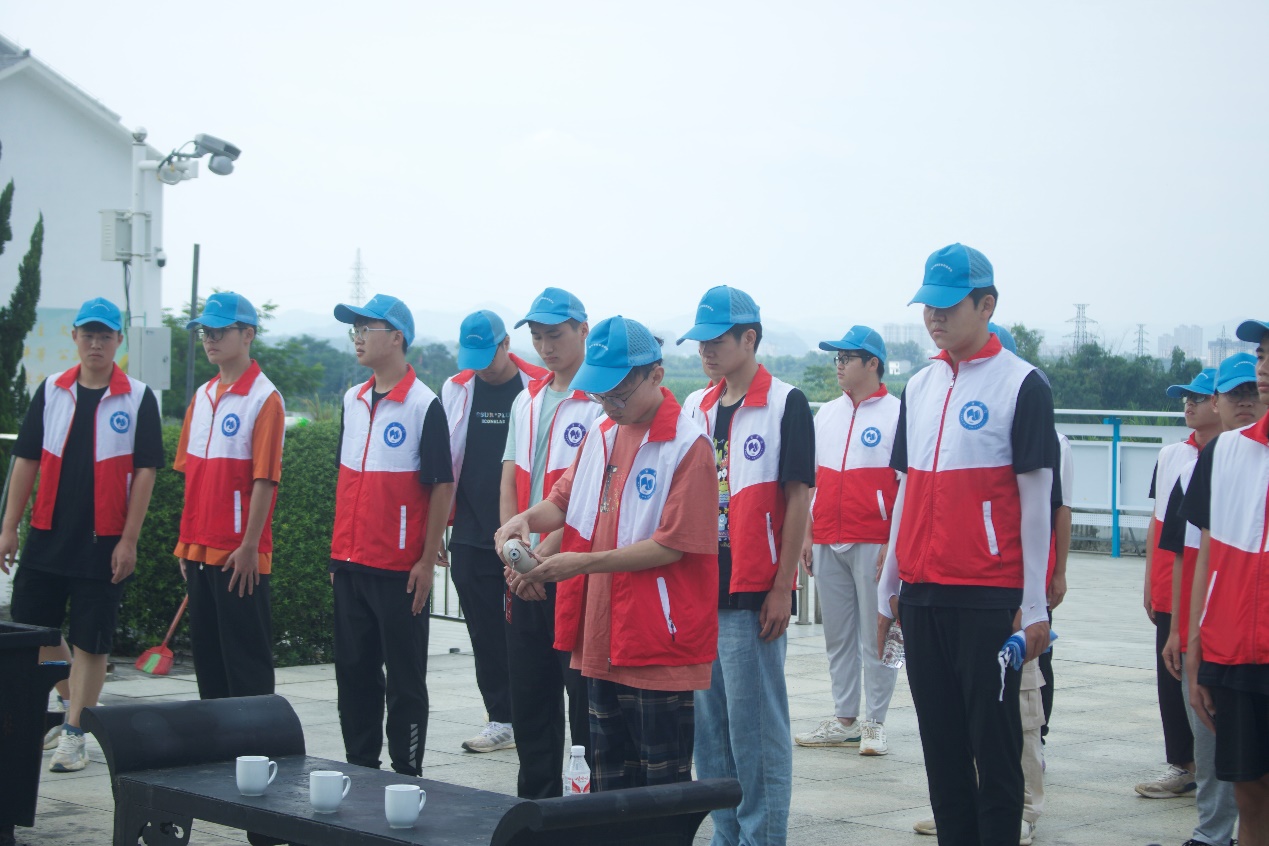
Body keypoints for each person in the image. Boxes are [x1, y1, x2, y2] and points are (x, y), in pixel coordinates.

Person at [878, 243, 1056, 846]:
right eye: (929, 305)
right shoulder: (920, 386)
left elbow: (1036, 501)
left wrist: (1034, 605)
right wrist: (889, 585)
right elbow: (906, 489)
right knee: (941, 747)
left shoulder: (1022, 384)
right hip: (922, 595)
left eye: (950, 305)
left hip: (987, 595)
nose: (936, 316)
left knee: (995, 747)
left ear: (987, 305)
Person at [494, 316, 718, 791]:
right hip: (601, 634)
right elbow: (562, 500)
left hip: (656, 638)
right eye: (600, 395)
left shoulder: (688, 445)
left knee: (661, 786)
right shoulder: (601, 432)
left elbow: (671, 546)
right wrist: (523, 520)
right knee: (608, 781)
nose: (609, 406)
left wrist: (582, 563)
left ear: (655, 375)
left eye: (618, 394)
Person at [0, 297, 161, 773]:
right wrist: (8, 527)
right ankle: (79, 709)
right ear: (74, 337)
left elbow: (146, 472)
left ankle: (74, 732)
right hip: (47, 532)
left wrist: (129, 540)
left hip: (104, 540)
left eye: (105, 335)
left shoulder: (137, 397)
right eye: (88, 334)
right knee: (35, 629)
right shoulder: (53, 389)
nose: (96, 343)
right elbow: (26, 459)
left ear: (118, 341)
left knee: (92, 640)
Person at [679, 286, 815, 846]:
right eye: (700, 342)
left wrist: (783, 587)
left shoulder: (785, 403)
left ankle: (762, 838)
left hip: (753, 593)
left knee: (756, 732)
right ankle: (725, 834)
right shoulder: (696, 405)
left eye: (716, 341)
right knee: (710, 734)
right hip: (701, 591)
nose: (705, 351)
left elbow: (799, 498)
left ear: (749, 338)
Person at [329, 293, 454, 775]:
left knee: (405, 679)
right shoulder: (352, 400)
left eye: (367, 328)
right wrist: (338, 557)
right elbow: (347, 481)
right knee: (353, 674)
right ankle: (360, 767)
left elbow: (441, 484)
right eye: (354, 329)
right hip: (350, 563)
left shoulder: (424, 404)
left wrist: (425, 559)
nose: (358, 338)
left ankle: (407, 772)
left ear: (397, 337)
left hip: (399, 571)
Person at [498, 288, 600, 797]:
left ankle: (586, 808)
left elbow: (587, 500)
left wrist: (543, 557)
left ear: (583, 330)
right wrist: (511, 553)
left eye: (555, 335)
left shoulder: (599, 403)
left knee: (582, 700)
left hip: (571, 569)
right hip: (522, 570)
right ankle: (536, 805)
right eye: (537, 337)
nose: (545, 346)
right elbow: (509, 478)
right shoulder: (527, 399)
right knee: (530, 697)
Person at [440, 310, 546, 754]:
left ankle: (534, 715)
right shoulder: (456, 387)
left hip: (525, 530)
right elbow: (445, 459)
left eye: (488, 355)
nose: (481, 367)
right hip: (470, 528)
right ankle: (500, 718)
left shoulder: (537, 385)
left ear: (506, 345)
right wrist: (436, 527)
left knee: (524, 630)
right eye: (473, 358)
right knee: (483, 631)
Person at [174, 292, 284, 701]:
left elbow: (265, 480)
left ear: (248, 334)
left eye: (220, 331)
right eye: (206, 331)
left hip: (239, 555)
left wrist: (250, 546)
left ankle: (256, 739)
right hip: (199, 550)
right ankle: (217, 739)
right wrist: (185, 544)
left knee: (246, 662)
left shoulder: (264, 398)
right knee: (209, 660)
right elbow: (191, 477)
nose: (210, 339)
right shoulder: (202, 397)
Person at [1159, 360, 1251, 846]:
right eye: (1234, 392)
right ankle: (1212, 833)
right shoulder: (1200, 466)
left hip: (1250, 628)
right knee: (1210, 734)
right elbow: (1186, 553)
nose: (1245, 400)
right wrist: (1181, 629)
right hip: (1213, 629)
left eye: (1252, 389)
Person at [796, 325, 900, 756]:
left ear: (872, 363)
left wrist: (893, 545)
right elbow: (811, 481)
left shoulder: (897, 414)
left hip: (874, 540)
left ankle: (875, 722)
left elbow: (907, 485)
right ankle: (844, 719)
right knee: (837, 636)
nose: (838, 366)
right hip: (828, 537)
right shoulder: (827, 414)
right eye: (836, 358)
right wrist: (807, 533)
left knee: (877, 634)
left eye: (846, 358)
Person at [1184, 327, 1269, 846]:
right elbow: (1207, 557)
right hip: (1234, 655)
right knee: (1250, 794)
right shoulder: (1225, 452)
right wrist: (1195, 647)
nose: (1264, 368)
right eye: (1262, 355)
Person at [1135, 366, 1213, 799]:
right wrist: (1150, 581)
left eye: (1198, 397)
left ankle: (1215, 767)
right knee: (1171, 674)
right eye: (1187, 397)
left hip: (1214, 584)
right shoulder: (1171, 457)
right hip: (1171, 580)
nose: (1190, 404)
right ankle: (1182, 764)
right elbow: (1157, 520)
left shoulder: (1231, 456)